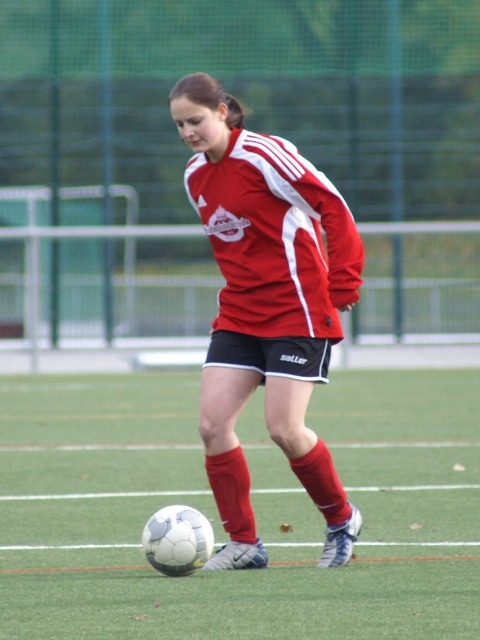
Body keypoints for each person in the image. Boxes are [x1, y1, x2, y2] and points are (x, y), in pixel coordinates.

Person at [168, 72, 365, 570]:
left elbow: (332, 206)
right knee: (212, 425)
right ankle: (244, 543)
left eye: (196, 120)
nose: (189, 132)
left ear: (222, 112)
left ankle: (342, 520)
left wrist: (343, 280)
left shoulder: (263, 154)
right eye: (179, 125)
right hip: (239, 312)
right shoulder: (194, 175)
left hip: (297, 308)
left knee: (284, 428)